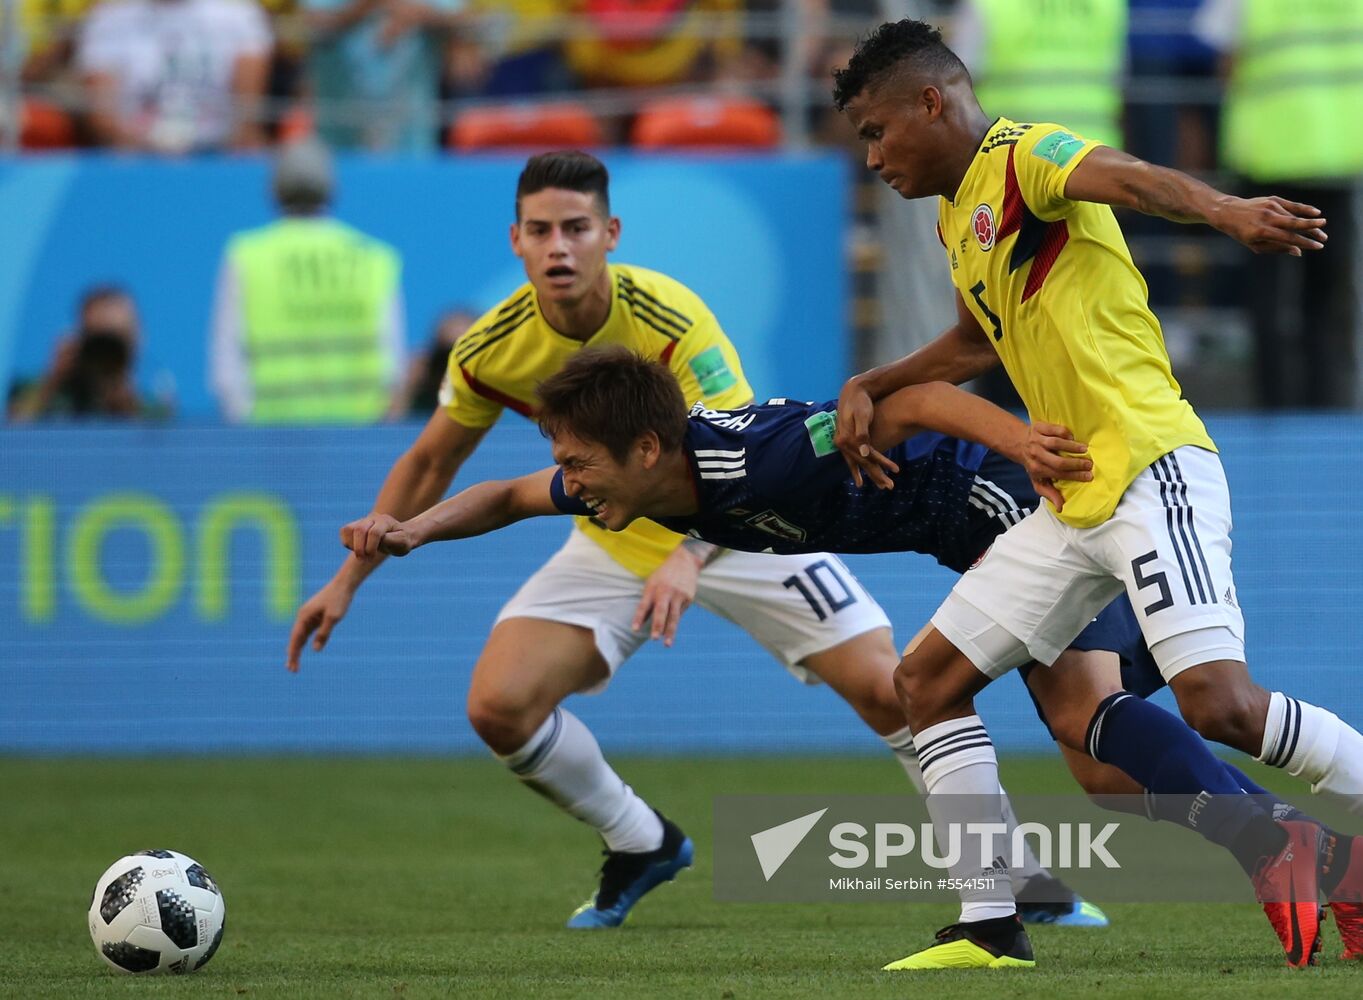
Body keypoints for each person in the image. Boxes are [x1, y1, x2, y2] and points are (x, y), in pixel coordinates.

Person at [286, 149, 1103, 930]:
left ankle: (1015, 878)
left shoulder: (668, 316)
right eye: (539, 230)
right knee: (498, 706)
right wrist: (348, 578)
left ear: (609, 235)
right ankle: (641, 841)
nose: (557, 246)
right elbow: (435, 461)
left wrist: (687, 554)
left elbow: (746, 461)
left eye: (575, 227)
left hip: (746, 531)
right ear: (516, 242)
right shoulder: (490, 347)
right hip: (613, 527)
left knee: (891, 690)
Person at [344, 345, 1363, 968]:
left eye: (579, 463)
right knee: (1097, 760)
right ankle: (1299, 850)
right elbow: (511, 495)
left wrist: (1020, 448)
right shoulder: (628, 477)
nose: (568, 482)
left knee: (1023, 705)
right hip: (981, 531)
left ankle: (1022, 915)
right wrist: (409, 529)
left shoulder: (757, 457)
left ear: (648, 454)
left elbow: (911, 404)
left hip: (1009, 508)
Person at [828, 18, 1363, 968]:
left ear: (931, 101)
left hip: (1150, 465)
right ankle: (991, 927)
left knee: (1221, 709)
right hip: (1070, 497)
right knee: (927, 683)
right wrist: (875, 380)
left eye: (876, 131)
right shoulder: (959, 214)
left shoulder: (1022, 153)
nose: (872, 158)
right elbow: (974, 343)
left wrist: (1224, 211)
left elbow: (1128, 177)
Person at [1194, 0, 1363, 408]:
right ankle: (1326, 408)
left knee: (1268, 298)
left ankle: (1276, 410)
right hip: (1337, 154)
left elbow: (1222, 57)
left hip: (1269, 156)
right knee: (1327, 298)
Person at [209, 137, 407, 424]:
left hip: (270, 442)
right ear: (333, 189)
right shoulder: (374, 259)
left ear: (274, 189)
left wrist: (246, 429)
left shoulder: (246, 256)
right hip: (357, 440)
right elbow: (392, 368)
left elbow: (227, 371)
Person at [76, 0, 272, 153]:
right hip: (135, 155)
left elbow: (248, 114)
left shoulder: (239, 12)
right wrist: (146, 146)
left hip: (219, 150)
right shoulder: (110, 17)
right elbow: (103, 116)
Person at [8, 284, 166, 422]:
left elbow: (163, 452)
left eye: (118, 338)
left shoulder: (153, 410)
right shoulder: (36, 390)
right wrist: (52, 382)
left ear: (139, 337)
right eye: (99, 339)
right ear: (80, 338)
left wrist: (127, 407)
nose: (107, 352)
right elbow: (11, 436)